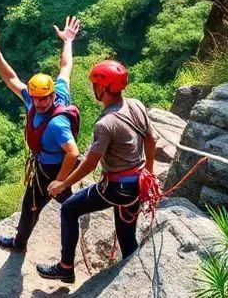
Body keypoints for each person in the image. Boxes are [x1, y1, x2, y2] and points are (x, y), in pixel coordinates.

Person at [35, 59, 157, 284]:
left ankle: (65, 267)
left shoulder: (106, 123)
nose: (93, 89)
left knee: (70, 209)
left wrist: (61, 184)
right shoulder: (136, 104)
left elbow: (90, 163)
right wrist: (148, 173)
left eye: (95, 85)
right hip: (137, 183)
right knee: (126, 237)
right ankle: (136, 278)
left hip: (116, 187)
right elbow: (151, 138)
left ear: (102, 88)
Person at [0, 16, 82, 254]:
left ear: (50, 96)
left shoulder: (57, 123)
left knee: (31, 206)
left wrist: (59, 180)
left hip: (51, 169)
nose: (37, 103)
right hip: (50, 164)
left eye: (42, 99)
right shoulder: (48, 94)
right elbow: (15, 79)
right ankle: (65, 249)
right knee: (66, 205)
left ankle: (22, 245)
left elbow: (73, 152)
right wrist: (68, 41)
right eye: (35, 98)